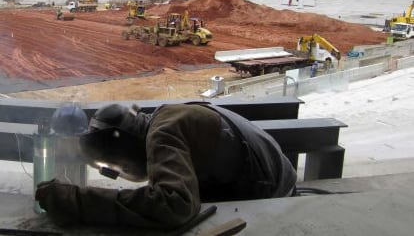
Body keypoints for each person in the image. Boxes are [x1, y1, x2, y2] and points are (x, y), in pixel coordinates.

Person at [35, 102, 297, 229]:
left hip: (272, 200)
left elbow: (174, 205)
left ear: (123, 145)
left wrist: (76, 200)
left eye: (113, 166)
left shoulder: (163, 133)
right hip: (263, 181)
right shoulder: (166, 116)